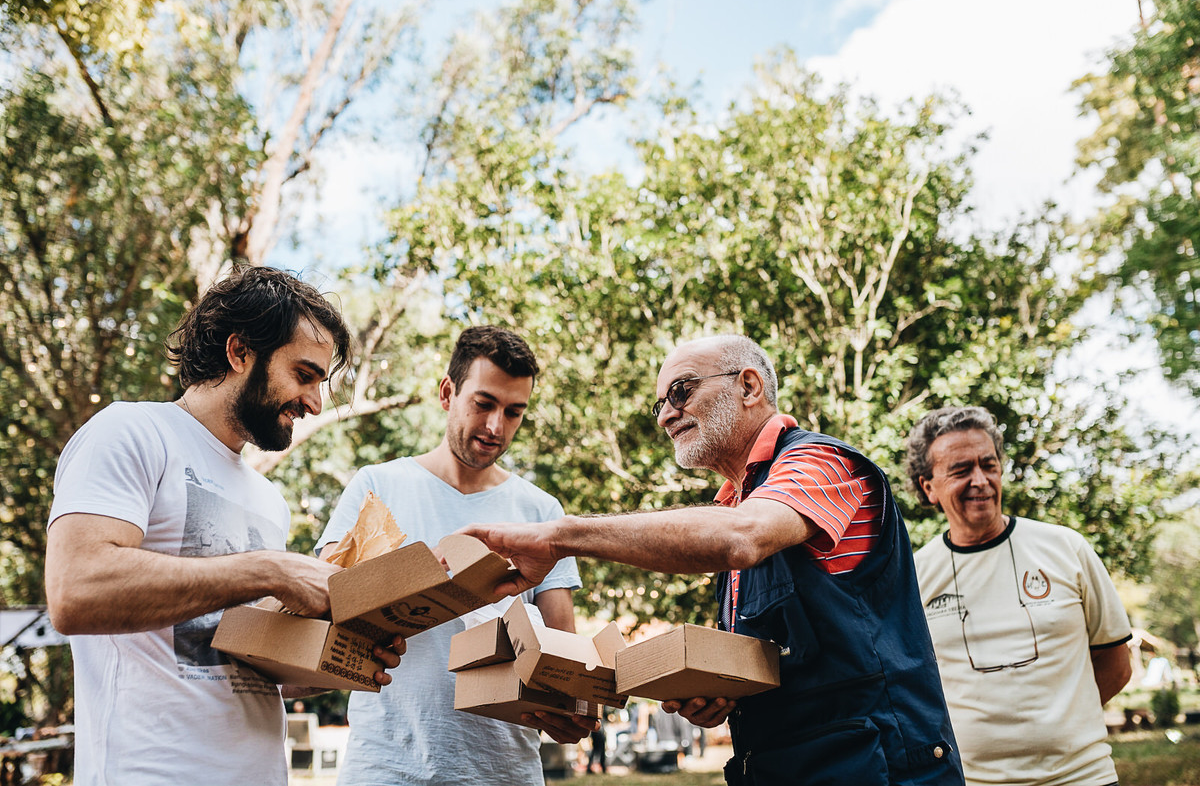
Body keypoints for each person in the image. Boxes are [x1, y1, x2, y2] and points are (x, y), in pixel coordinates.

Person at [461, 335, 964, 785]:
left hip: (876, 765)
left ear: (748, 386)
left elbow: (741, 538)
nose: (664, 416)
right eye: (659, 404)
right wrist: (720, 694)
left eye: (681, 392)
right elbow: (779, 658)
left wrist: (561, 536)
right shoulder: (736, 505)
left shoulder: (821, 464)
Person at [45, 266, 405, 786]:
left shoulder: (269, 499)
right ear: (239, 353)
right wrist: (271, 570)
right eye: (304, 375)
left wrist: (345, 657)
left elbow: (247, 671)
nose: (315, 402)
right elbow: (74, 591)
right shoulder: (130, 432)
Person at [314, 325, 595, 786]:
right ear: (447, 393)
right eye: (483, 404)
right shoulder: (377, 485)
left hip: (501, 770)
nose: (495, 427)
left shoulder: (541, 512)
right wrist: (421, 576)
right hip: (386, 766)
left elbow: (563, 647)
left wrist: (571, 708)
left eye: (513, 412)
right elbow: (325, 605)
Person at [905, 406, 1133, 786]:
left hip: (1083, 776)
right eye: (961, 470)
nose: (980, 480)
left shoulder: (1066, 548)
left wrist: (1063, 726)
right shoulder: (915, 576)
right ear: (928, 487)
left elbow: (1116, 662)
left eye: (989, 465)